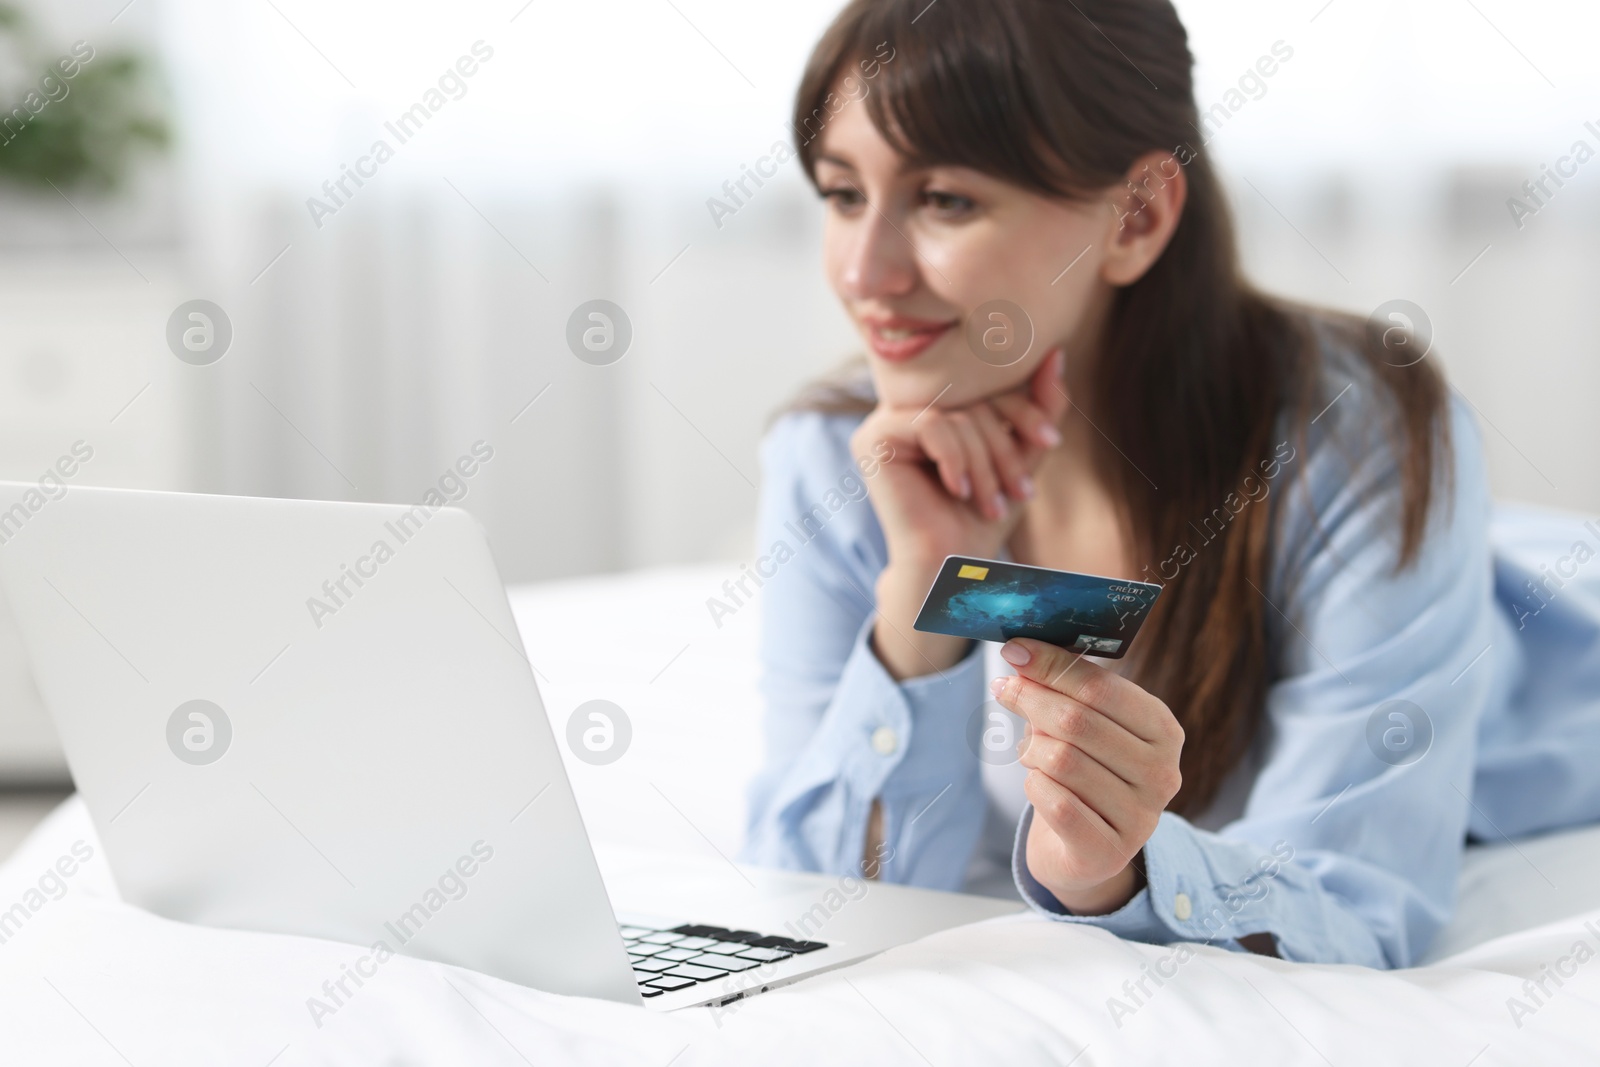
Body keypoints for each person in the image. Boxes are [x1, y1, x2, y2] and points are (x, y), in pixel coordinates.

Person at [739, 0, 1600, 969]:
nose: (864, 272)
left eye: (945, 201)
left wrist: (1120, 870)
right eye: (842, 193)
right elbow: (808, 902)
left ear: (1136, 216)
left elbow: (1357, 902)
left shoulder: (1358, 438)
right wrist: (919, 589)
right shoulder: (836, 450)